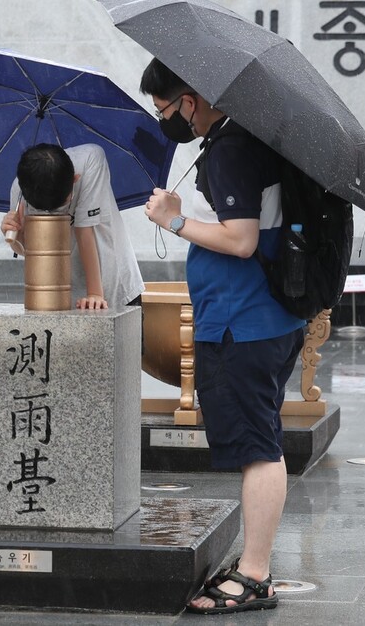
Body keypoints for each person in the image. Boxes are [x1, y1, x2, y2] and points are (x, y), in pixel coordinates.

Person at [140, 59, 306, 615]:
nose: (166, 121)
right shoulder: (249, 138)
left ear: (189, 99)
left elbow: (239, 240)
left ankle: (254, 574)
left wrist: (174, 221)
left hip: (244, 320)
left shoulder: (232, 149)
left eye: (165, 109)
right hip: (269, 317)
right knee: (262, 440)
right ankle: (253, 565)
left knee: (259, 448)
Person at [0, 143, 144, 310]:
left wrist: (95, 294)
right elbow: (31, 252)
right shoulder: (21, 188)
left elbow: (84, 231)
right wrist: (16, 235)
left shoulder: (91, 159)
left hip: (114, 283)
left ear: (75, 178)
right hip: (63, 296)